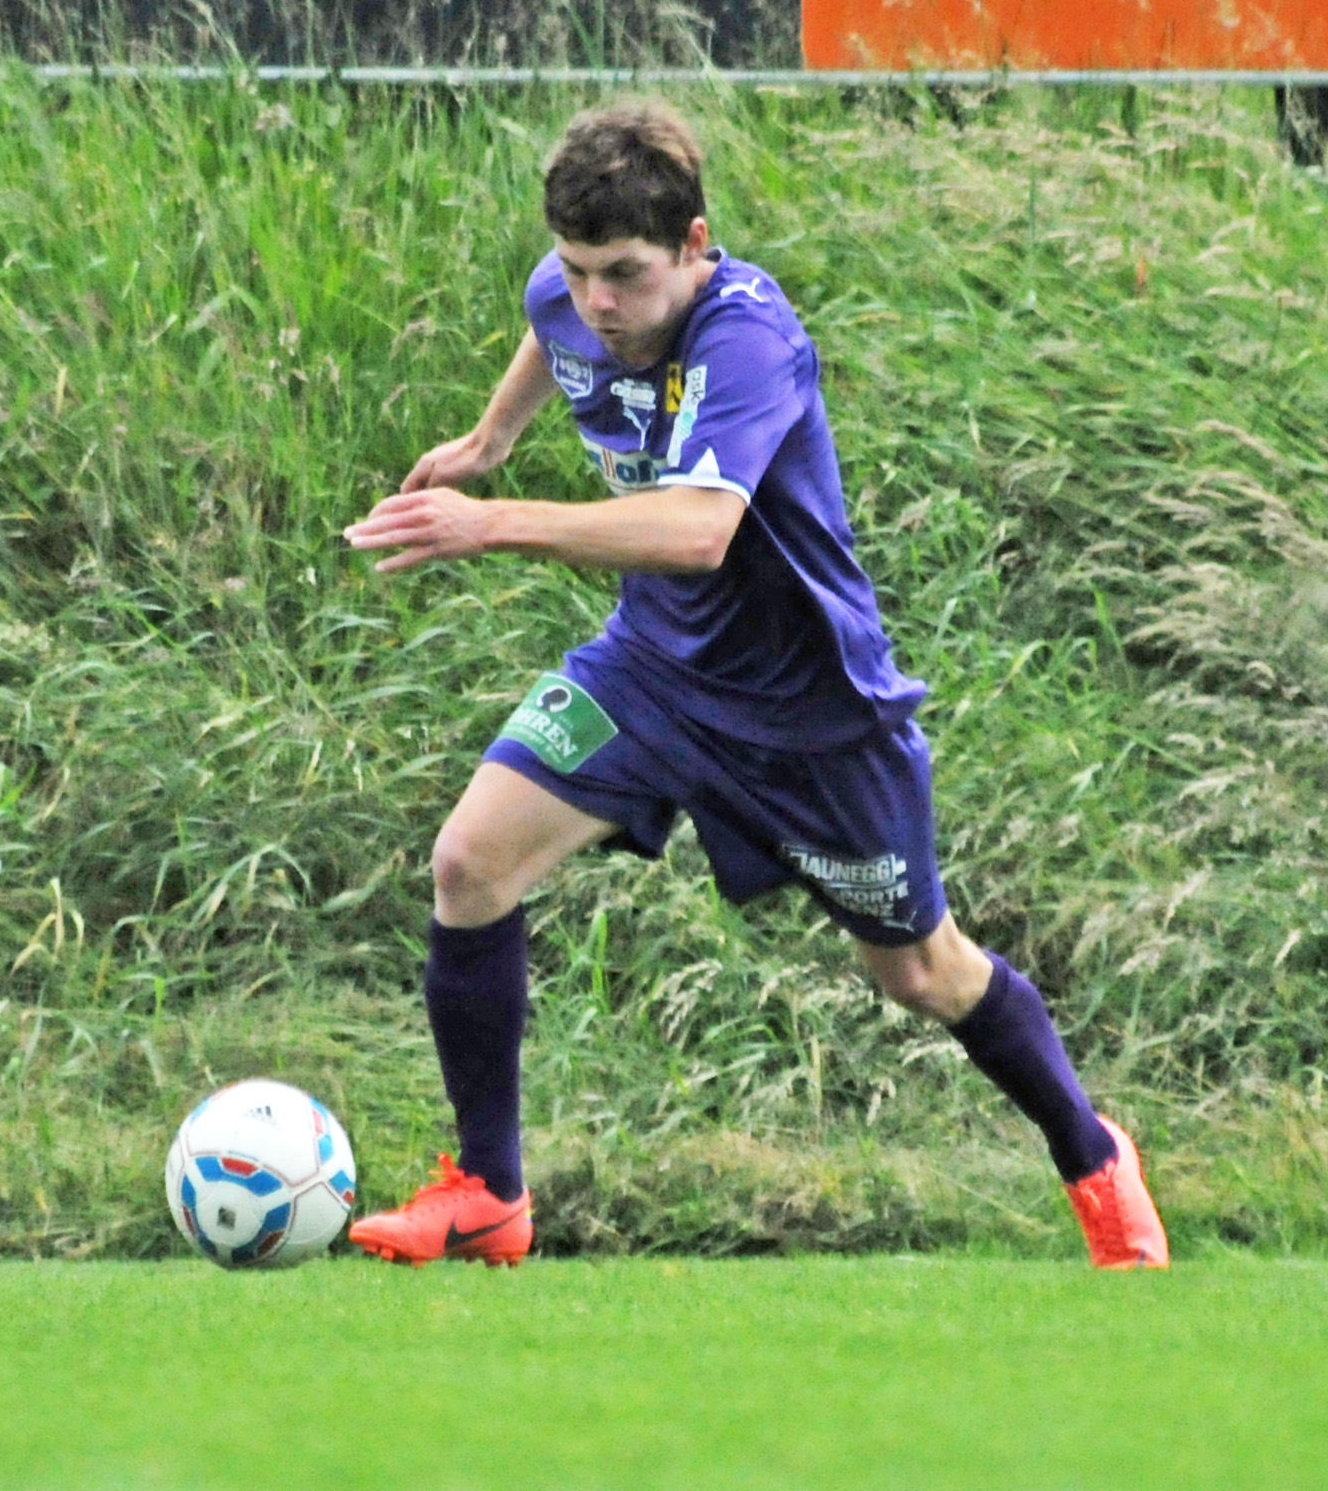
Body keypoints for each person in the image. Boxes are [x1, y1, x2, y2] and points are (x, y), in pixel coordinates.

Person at [340, 100, 1167, 1270]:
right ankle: (489, 1191)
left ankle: (1093, 1154)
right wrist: (488, 439)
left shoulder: (749, 338)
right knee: (469, 863)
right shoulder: (572, 293)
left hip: (811, 717)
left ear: (694, 243)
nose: (597, 303)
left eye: (624, 274)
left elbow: (697, 531)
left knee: (921, 970)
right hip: (652, 671)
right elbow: (549, 327)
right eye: (578, 270)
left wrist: (490, 518)